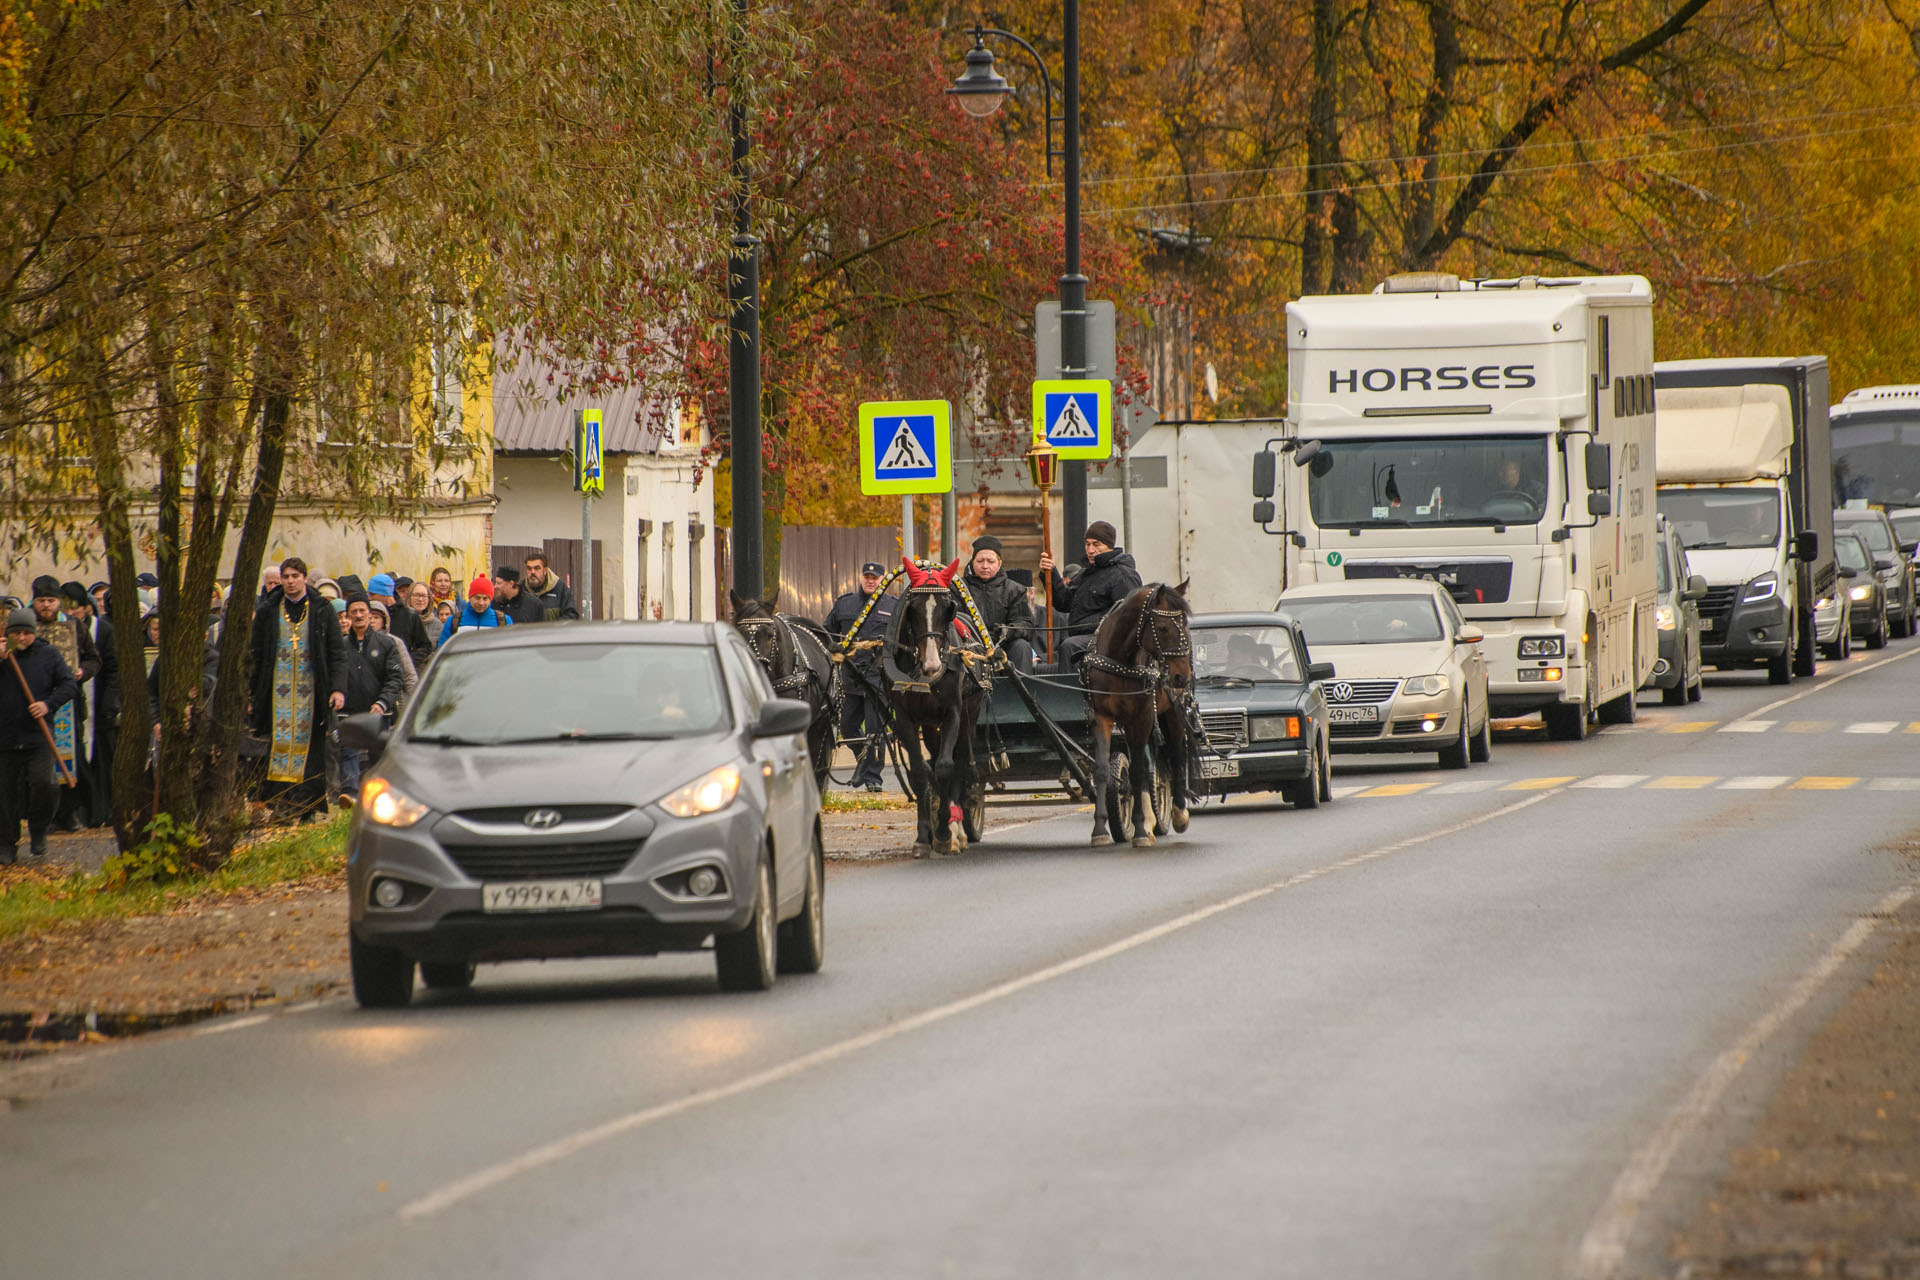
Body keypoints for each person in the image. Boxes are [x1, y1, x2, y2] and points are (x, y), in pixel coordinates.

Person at [248, 557, 348, 817]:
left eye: (295, 576)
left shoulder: (321, 609)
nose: (290, 581)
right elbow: (255, 654)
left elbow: (337, 652)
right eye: (286, 577)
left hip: (312, 695)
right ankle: (281, 806)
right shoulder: (269, 609)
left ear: (304, 578)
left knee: (311, 753)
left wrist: (337, 689)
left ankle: (306, 810)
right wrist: (251, 692)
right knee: (276, 748)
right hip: (275, 695)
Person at [0, 608, 78, 862]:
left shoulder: (49, 655)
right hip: (5, 737)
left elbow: (69, 684)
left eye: (26, 633)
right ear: (7, 633)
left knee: (45, 784)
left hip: (38, 736)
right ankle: (7, 844)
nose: (21, 638)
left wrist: (47, 704)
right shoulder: (2, 656)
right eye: (16, 633)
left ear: (34, 633)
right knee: (5, 793)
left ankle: (39, 829)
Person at [30, 576, 99, 831]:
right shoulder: (25, 626)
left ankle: (68, 813)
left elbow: (94, 659)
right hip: (35, 704)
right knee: (41, 764)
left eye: (51, 600)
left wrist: (82, 671)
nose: (46, 606)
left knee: (72, 759)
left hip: (69, 704)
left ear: (59, 602)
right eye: (41, 601)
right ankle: (45, 815)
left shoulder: (74, 626)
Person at [824, 561, 897, 791]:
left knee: (875, 731)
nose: (870, 580)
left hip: (878, 678)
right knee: (847, 726)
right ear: (861, 577)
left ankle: (873, 779)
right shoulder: (845, 603)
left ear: (882, 580)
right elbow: (828, 632)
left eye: (875, 577)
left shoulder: (892, 606)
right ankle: (863, 761)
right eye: (867, 576)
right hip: (850, 677)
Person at [1036, 521, 1143, 663]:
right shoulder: (1085, 574)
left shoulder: (1123, 575)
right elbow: (1063, 603)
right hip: (1080, 638)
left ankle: (1069, 685)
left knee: (1069, 646)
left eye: (1096, 544)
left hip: (1107, 641)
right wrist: (1051, 572)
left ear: (1109, 546)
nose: (1090, 550)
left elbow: (1129, 619)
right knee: (1068, 645)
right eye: (1087, 544)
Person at [336, 595, 406, 803]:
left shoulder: (386, 644)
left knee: (379, 757)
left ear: (369, 614)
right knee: (348, 753)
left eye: (362, 611)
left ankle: (379, 796)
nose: (358, 616)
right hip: (348, 711)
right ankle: (350, 794)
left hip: (379, 711)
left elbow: (395, 677)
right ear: (347, 616)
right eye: (353, 612)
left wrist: (382, 702)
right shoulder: (340, 647)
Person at [63, 580, 116, 828]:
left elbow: (112, 669)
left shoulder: (103, 631)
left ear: (87, 608)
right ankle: (72, 811)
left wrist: (109, 703)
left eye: (75, 609)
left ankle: (98, 811)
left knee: (98, 759)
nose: (70, 614)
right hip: (67, 704)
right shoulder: (57, 632)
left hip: (98, 702)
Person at [961, 536, 1036, 673]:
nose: (985, 566)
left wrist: (1009, 630)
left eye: (990, 561)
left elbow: (1026, 624)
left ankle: (1021, 690)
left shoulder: (1014, 590)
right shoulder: (959, 588)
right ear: (972, 562)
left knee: (1022, 647)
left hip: (1003, 647)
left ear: (999, 563)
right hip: (967, 646)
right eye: (980, 561)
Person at [369, 572, 433, 671]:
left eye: (372, 594)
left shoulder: (409, 615)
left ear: (385, 594)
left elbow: (425, 646)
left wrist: (406, 663)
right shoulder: (370, 614)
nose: (370, 598)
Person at [439, 575, 514, 643]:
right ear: (470, 597)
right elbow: (443, 651)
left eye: (485, 598)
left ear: (490, 600)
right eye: (477, 598)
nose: (481, 603)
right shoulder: (453, 622)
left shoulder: (504, 621)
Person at [367, 602, 419, 700]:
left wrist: (416, 700)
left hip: (393, 699)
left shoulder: (395, 642)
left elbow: (409, 674)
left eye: (376, 617)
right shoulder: (359, 642)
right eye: (369, 617)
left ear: (384, 620)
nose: (372, 621)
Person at [522, 552, 578, 621]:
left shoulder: (560, 589)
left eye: (537, 568)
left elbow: (571, 615)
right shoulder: (520, 591)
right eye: (529, 568)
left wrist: (554, 629)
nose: (532, 572)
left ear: (545, 570)